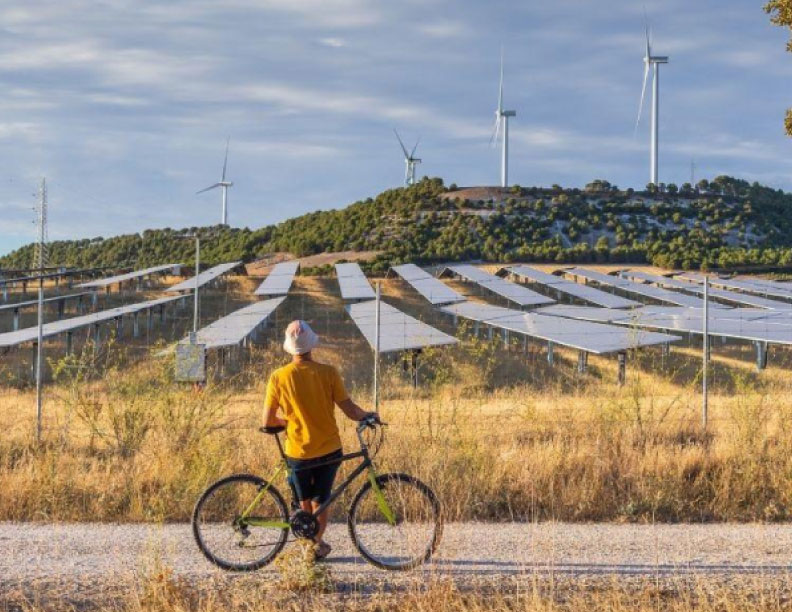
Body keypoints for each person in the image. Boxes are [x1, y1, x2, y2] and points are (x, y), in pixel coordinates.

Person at [263, 319, 375, 560]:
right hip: (328, 449)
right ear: (311, 345)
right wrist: (368, 416)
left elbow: (267, 422)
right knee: (321, 501)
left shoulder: (278, 377)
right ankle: (314, 546)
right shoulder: (328, 373)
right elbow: (350, 410)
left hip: (298, 451)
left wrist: (288, 422)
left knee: (305, 503)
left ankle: (309, 547)